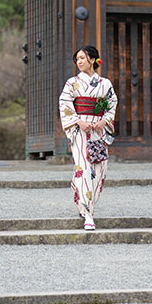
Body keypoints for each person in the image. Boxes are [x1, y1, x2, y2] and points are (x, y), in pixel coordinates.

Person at [58, 45, 117, 231]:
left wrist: (105, 121)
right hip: (80, 131)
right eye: (77, 59)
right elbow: (65, 104)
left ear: (93, 59)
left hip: (98, 130)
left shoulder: (105, 84)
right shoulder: (72, 83)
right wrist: (77, 121)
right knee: (83, 169)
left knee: (99, 169)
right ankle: (88, 214)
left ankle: (85, 201)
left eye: (83, 58)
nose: (79, 62)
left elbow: (111, 104)